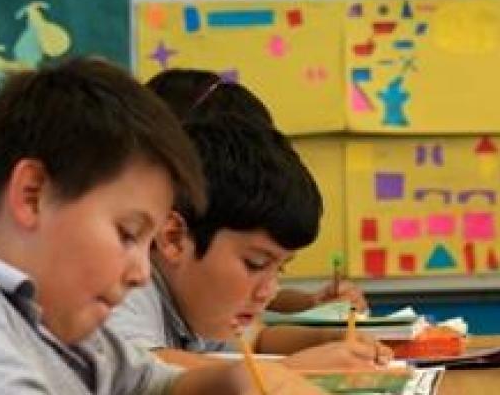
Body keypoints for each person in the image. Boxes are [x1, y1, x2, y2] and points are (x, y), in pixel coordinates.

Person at [0, 58, 323, 395]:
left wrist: (233, 380)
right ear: (33, 194)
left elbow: (151, 382)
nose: (141, 273)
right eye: (128, 233)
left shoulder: (52, 319)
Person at [106, 115, 391, 370]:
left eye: (279, 269)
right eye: (255, 264)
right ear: (174, 238)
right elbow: (140, 369)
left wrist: (331, 339)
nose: (269, 292)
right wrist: (287, 373)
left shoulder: (201, 303)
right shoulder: (126, 288)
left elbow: (256, 337)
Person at [147, 68, 367, 313]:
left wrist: (310, 305)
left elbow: (253, 324)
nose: (268, 291)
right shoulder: (138, 280)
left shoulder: (196, 278)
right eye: (255, 263)